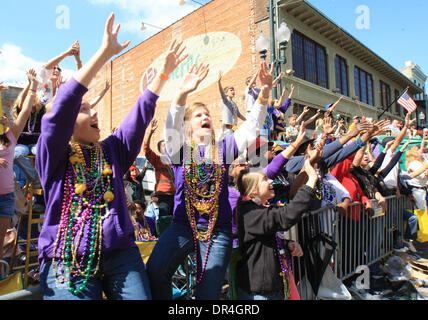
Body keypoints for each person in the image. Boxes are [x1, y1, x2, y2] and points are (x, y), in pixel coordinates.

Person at [35, 14, 187, 299]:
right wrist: (104, 53)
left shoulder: (111, 150)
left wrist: (162, 76)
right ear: (67, 122)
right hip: (67, 260)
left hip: (121, 258)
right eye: (84, 109)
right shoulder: (53, 153)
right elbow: (59, 110)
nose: (94, 113)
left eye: (93, 109)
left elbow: (136, 120)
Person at [147, 61, 276, 300]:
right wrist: (182, 93)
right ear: (188, 125)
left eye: (207, 114)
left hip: (217, 231)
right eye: (198, 115)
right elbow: (171, 129)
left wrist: (265, 93)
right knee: (155, 271)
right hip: (182, 225)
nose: (205, 117)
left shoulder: (224, 148)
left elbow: (251, 128)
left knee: (208, 293)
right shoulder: (181, 151)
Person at [235, 156, 318, 300]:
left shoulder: (256, 209)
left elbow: (263, 240)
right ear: (253, 191)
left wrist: (287, 244)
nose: (271, 181)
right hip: (260, 293)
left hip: (271, 287)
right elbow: (285, 216)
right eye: (264, 180)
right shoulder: (250, 213)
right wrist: (311, 181)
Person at [0, 69, 39, 259]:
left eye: (4, 116)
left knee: (1, 247)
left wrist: (33, 86)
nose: (3, 117)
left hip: (6, 198)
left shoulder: (11, 137)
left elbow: (24, 112)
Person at [143, 119, 175, 219]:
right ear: (159, 149)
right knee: (165, 221)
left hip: (177, 196)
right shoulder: (157, 160)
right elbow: (146, 149)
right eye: (164, 145)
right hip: (164, 197)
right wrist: (150, 132)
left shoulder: (176, 160)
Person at [37, 41, 82, 105]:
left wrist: (77, 59)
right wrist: (66, 53)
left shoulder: (62, 87)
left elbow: (79, 78)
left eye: (58, 69)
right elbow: (46, 67)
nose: (56, 70)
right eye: (53, 68)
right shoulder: (41, 83)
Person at [218, 71, 246, 136]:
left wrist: (247, 121)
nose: (233, 91)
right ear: (226, 93)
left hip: (233, 127)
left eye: (233, 90)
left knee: (239, 138)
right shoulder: (226, 101)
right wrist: (219, 82)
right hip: (227, 128)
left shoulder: (234, 103)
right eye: (231, 90)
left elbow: (239, 115)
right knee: (229, 145)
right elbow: (221, 93)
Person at [405, 145, 428, 210]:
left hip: (421, 190)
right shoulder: (414, 163)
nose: (422, 153)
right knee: (421, 211)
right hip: (417, 191)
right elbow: (423, 176)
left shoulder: (418, 163)